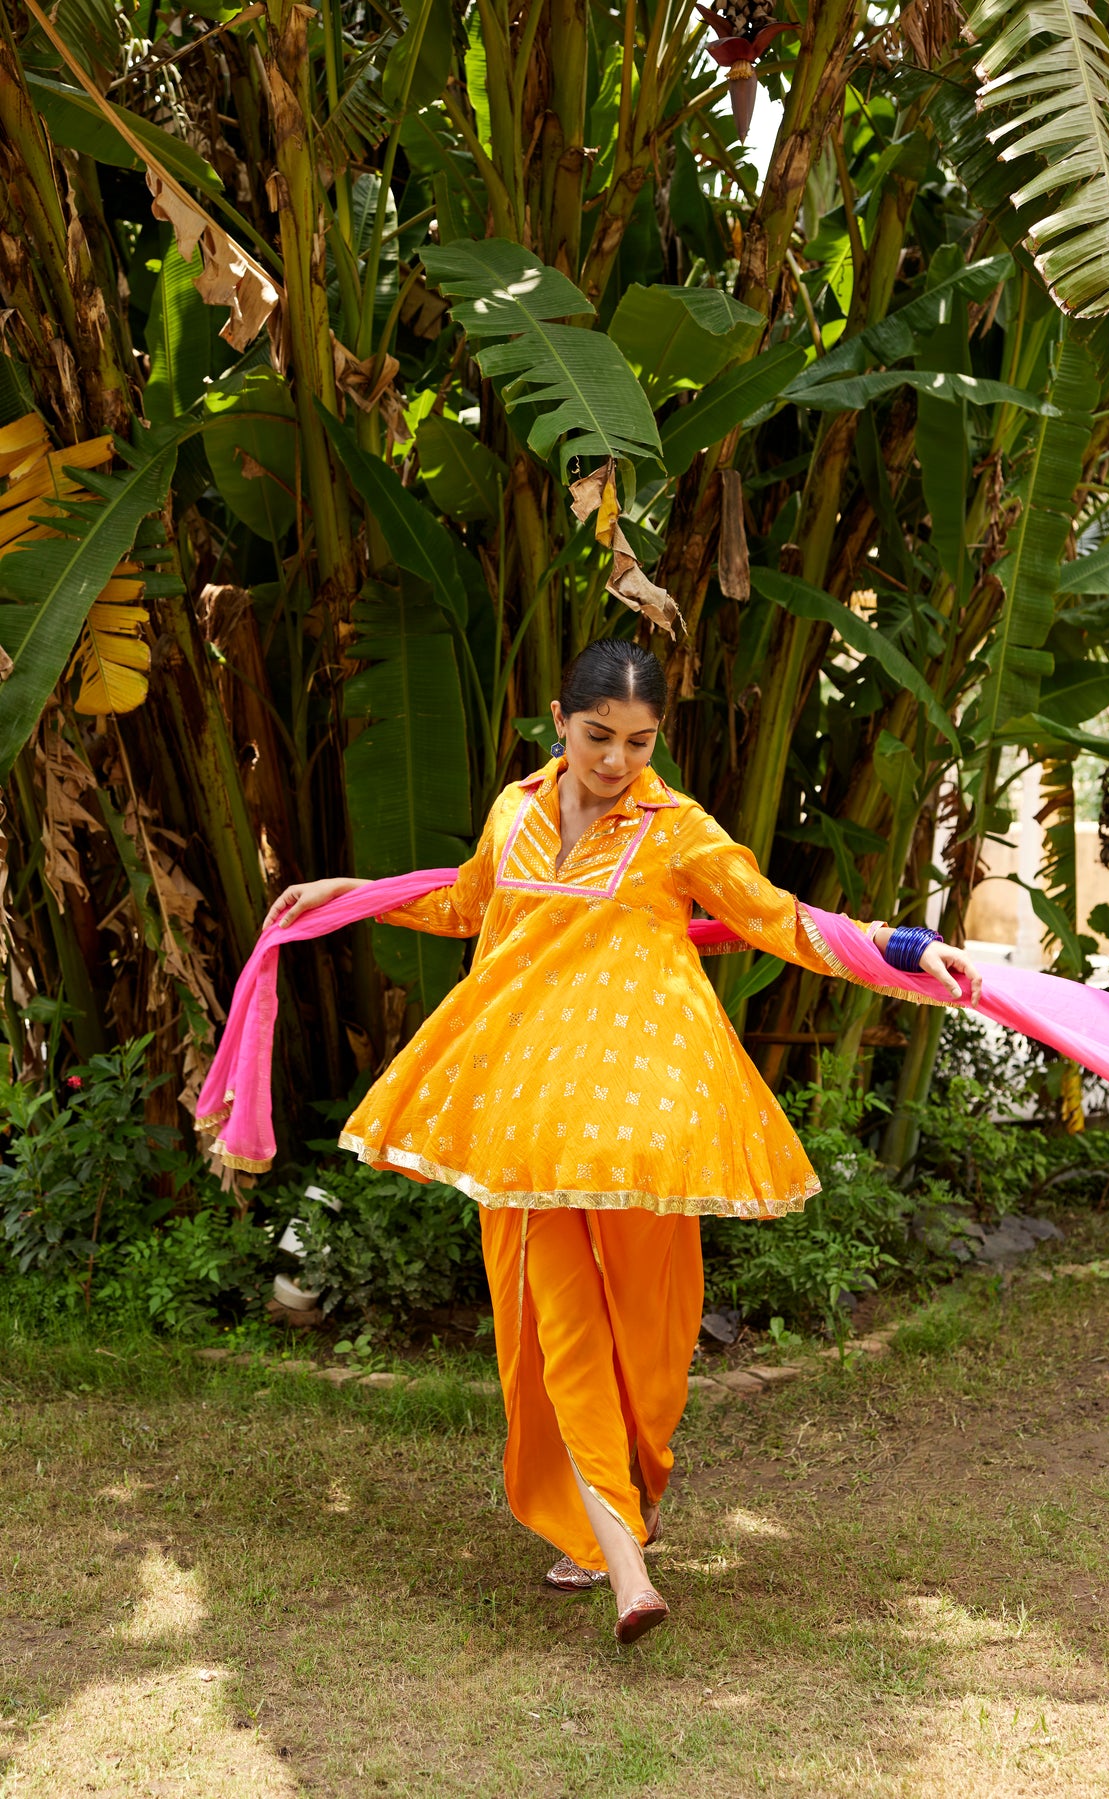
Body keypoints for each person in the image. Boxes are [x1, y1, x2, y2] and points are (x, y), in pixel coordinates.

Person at [262, 640, 980, 1645]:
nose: (616, 759)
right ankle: (619, 1554)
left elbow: (774, 917)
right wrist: (353, 892)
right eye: (599, 736)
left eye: (639, 742)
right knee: (551, 1318)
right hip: (520, 1110)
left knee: (652, 1328)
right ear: (559, 717)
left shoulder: (676, 827)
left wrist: (904, 949)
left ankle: (626, 1503)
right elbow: (471, 904)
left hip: (638, 1119)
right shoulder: (515, 809)